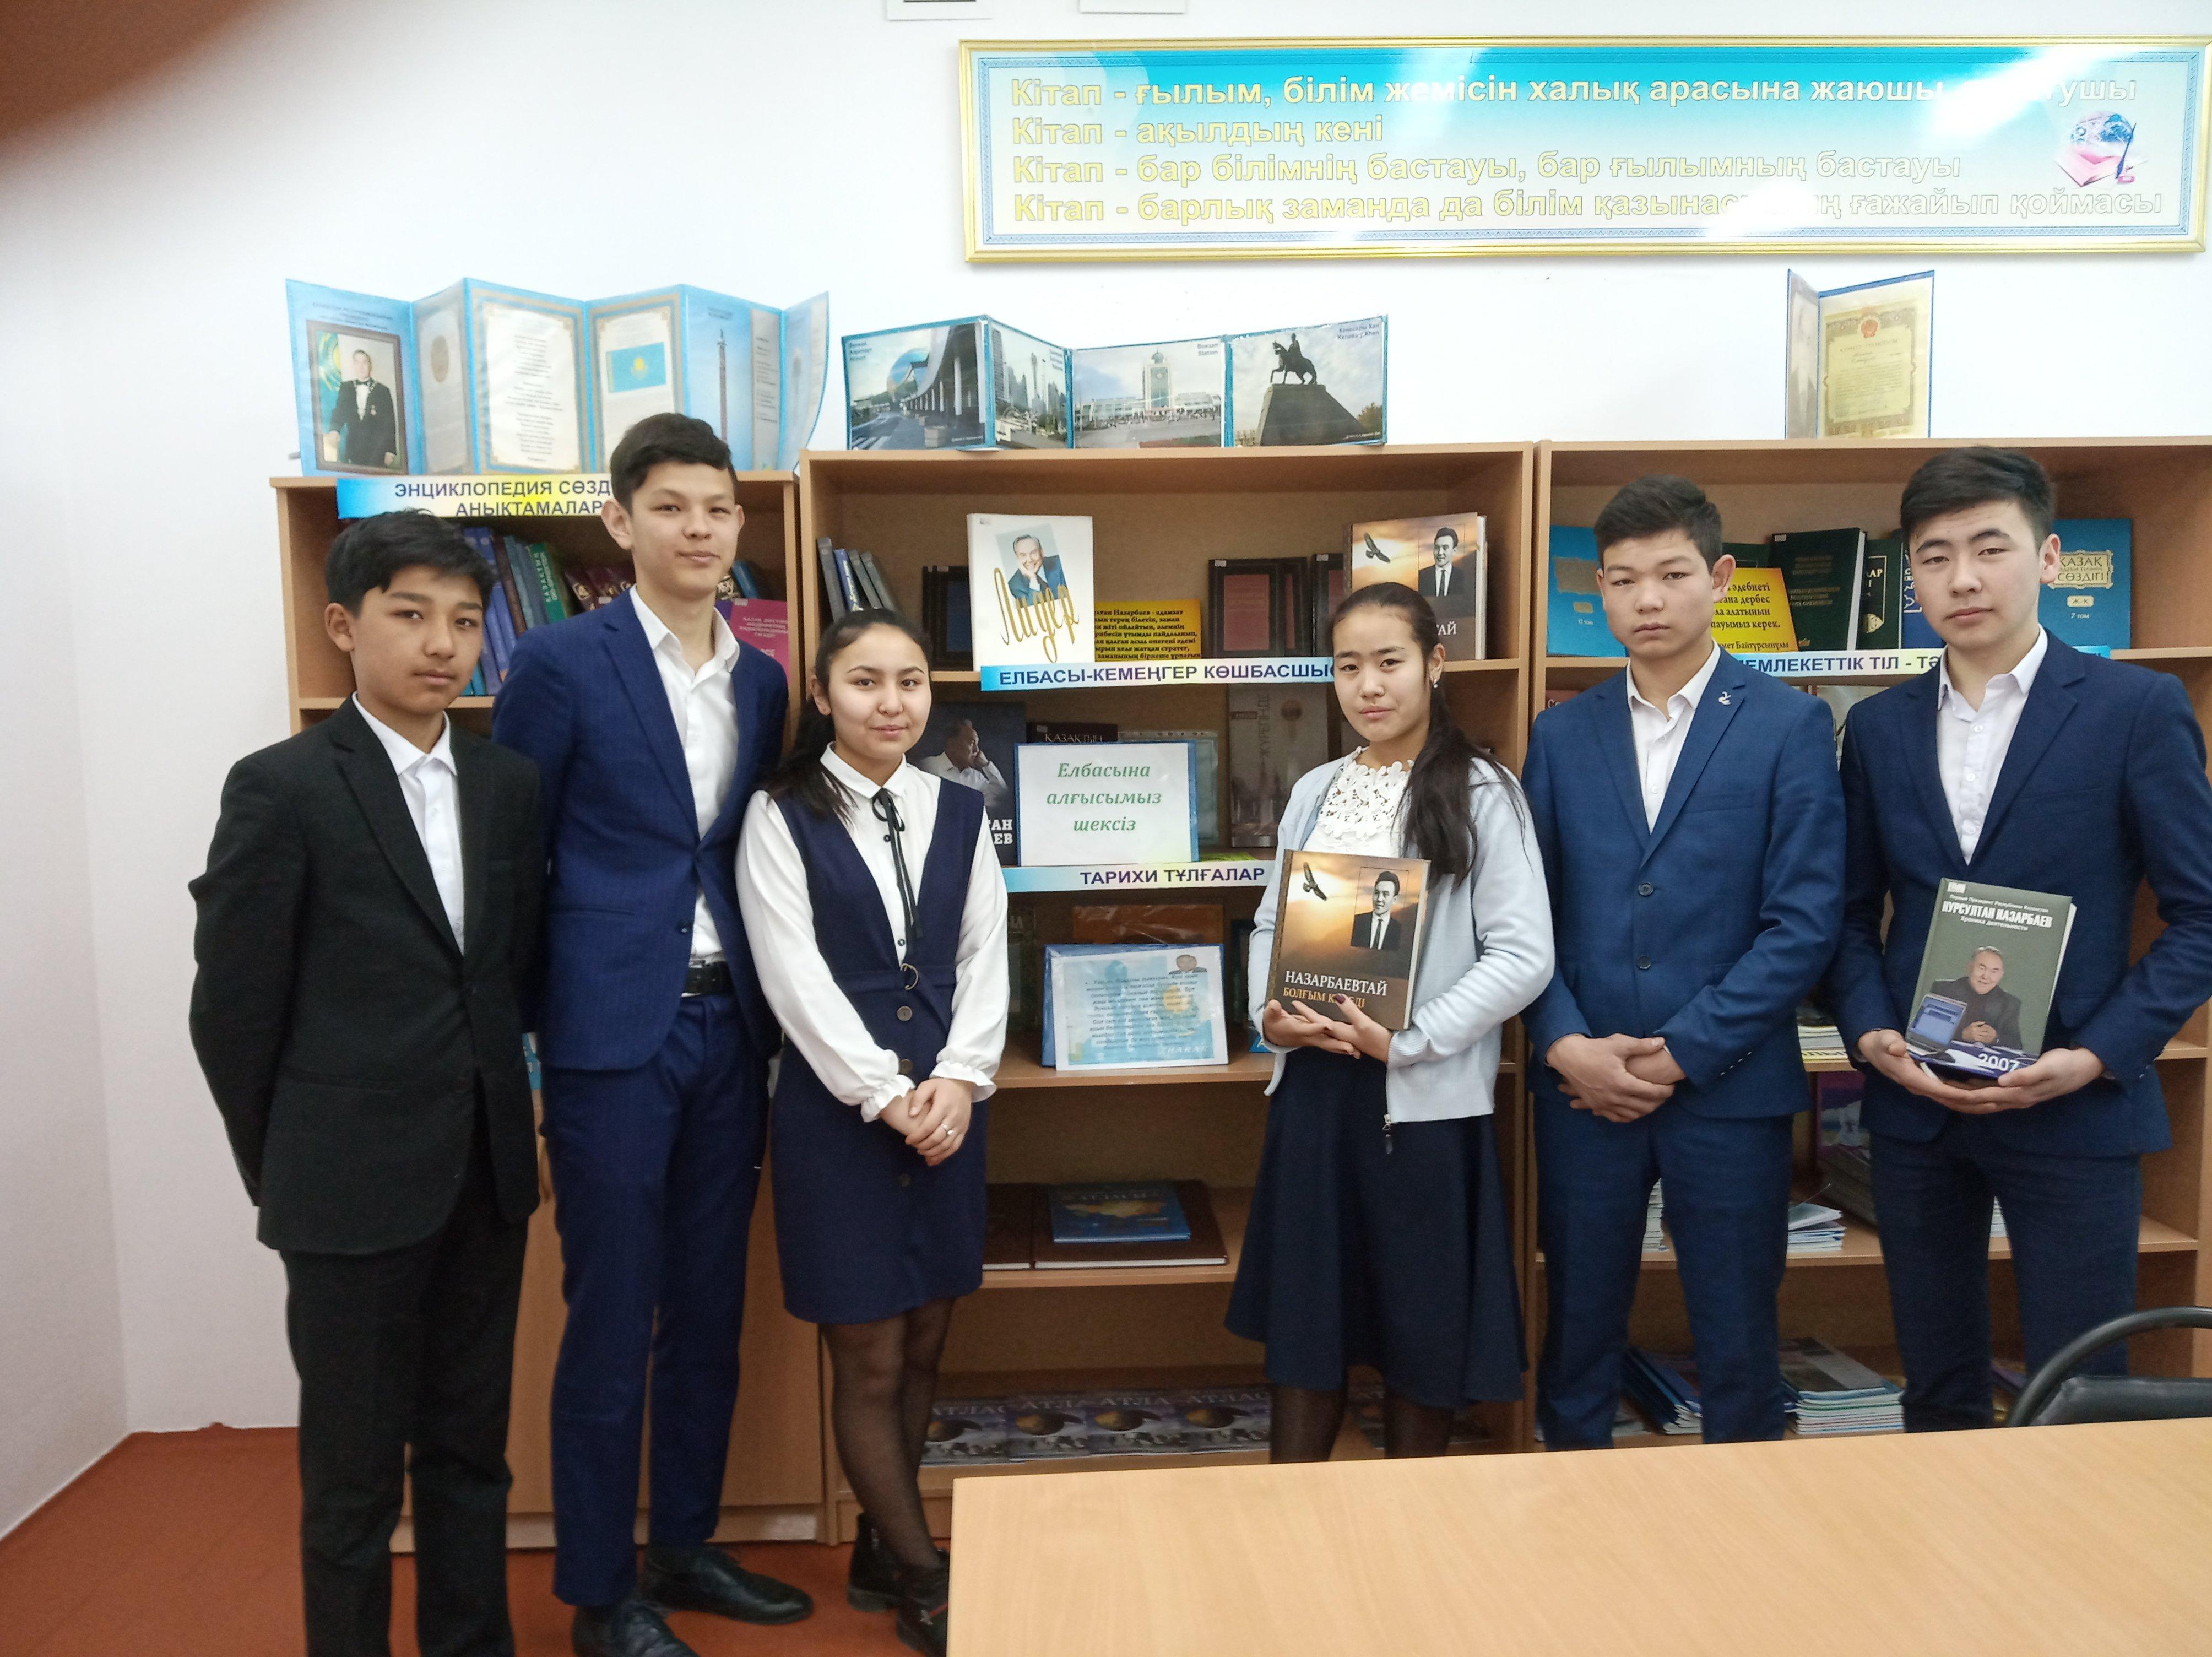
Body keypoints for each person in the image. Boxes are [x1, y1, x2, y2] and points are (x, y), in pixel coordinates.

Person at [189, 511, 542, 1657]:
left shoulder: (508, 783)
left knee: (470, 1452)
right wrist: (288, 1164)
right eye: (411, 615)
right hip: (343, 1189)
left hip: (485, 1175)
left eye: (466, 620)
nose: (443, 644)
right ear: (344, 626)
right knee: (351, 1481)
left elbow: (509, 973)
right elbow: (232, 1010)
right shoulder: (282, 786)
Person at [492, 414, 809, 1656]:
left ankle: (683, 1542)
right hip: (608, 1037)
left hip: (729, 1025)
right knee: (613, 1312)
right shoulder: (560, 663)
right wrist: (536, 1036)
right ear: (620, 521)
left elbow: (744, 847)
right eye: (671, 506)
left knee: (710, 1306)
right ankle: (596, 1589)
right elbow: (517, 859)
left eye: (718, 508)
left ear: (740, 523)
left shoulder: (762, 679)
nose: (699, 529)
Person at [1826, 447, 2212, 1431]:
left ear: (2047, 558)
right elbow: (1848, 912)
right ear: (1911, 577)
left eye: (1990, 548)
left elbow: (2202, 914)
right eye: (1935, 556)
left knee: (2084, 1394)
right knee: (1936, 1388)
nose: (1963, 578)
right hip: (1917, 1106)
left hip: (2074, 1105)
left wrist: (2096, 1054)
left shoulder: (2135, 709)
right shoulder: (1877, 728)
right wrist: (1870, 1035)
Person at [1522, 474, 1844, 1450]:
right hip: (1583, 1088)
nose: (1648, 600)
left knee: (1739, 1331)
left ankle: (1744, 1515)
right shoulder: (1560, 732)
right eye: (1623, 580)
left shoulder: (1789, 723)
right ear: (1600, 592)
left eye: (1671, 574)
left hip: (1729, 1087)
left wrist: (1680, 1052)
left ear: (1721, 576)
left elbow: (1804, 922)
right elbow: (1523, 915)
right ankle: (1568, 1499)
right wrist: (1564, 1042)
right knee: (1577, 1324)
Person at [1229, 582, 1554, 1461]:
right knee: (1308, 1330)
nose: (1368, 686)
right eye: (1348, 667)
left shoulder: (1485, 792)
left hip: (1421, 1105)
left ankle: (1412, 1526)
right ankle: (1293, 1514)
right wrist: (1271, 1016)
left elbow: (1524, 955)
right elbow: (1270, 922)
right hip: (1316, 1093)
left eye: (1389, 662)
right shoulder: (1316, 789)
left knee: (1423, 1333)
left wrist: (1410, 1039)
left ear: (1435, 664)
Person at [736, 610, 1008, 1657]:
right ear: (821, 694)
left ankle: (878, 1546)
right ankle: (925, 1577)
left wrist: (960, 1076)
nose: (891, 703)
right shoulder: (779, 812)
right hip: (839, 1113)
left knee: (928, 1338)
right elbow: (791, 974)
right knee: (870, 1356)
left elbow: (985, 953)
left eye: (910, 681)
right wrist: (882, 1092)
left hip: (949, 1104)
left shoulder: (959, 808)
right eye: (864, 681)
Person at [1931, 947, 2024, 1049]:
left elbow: (2016, 1046)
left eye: (1994, 972)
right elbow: (1927, 1031)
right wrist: (1962, 1035)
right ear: (1970, 967)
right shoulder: (1943, 990)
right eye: (1982, 968)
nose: (1986, 977)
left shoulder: (2009, 1003)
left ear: (2001, 976)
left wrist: (1996, 1038)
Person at [916, 716, 1010, 810]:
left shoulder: (976, 778)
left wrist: (986, 765)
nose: (977, 750)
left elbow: (1001, 798)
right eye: (972, 743)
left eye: (977, 744)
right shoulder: (927, 767)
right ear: (952, 744)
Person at [328, 346, 399, 470]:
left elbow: (389, 422)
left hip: (377, 450)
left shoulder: (382, 391)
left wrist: (390, 451)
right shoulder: (346, 388)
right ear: (353, 365)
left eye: (365, 363)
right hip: (353, 448)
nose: (361, 367)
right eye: (357, 362)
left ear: (370, 365)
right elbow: (340, 411)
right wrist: (334, 430)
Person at [1416, 524, 1476, 617]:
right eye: (1437, 548)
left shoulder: (1462, 576)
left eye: (1445, 548)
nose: (1440, 553)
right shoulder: (1424, 575)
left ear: (1454, 551)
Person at [1348, 869, 1405, 951]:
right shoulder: (1358, 922)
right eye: (1377, 893)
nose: (1379, 899)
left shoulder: (1399, 929)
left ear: (1394, 900)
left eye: (1385, 894)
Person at [1005, 532, 1066, 605]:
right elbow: (1033, 609)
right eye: (1023, 555)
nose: (1030, 560)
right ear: (1017, 558)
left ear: (1042, 552)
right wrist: (1033, 579)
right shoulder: (1015, 585)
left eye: (1033, 553)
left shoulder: (1060, 564)